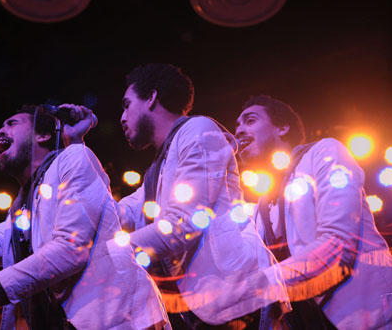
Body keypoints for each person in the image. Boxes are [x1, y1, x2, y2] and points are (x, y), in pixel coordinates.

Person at [66, 64, 289, 328]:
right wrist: (75, 146)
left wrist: (108, 258)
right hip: (214, 303)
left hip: (241, 294)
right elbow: (110, 217)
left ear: (151, 98)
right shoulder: (156, 175)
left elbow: (185, 222)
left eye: (127, 105)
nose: (122, 118)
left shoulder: (199, 130)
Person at [0, 105, 169, 329]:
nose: (0, 129)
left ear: (42, 135)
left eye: (11, 123)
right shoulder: (20, 210)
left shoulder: (73, 159)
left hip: (121, 322)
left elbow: (71, 248)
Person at [235, 95, 392, 329]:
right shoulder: (260, 204)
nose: (239, 130)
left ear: (283, 128)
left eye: (249, 121)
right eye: (237, 126)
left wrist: (259, 284)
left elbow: (337, 243)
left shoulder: (325, 151)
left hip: (372, 317)